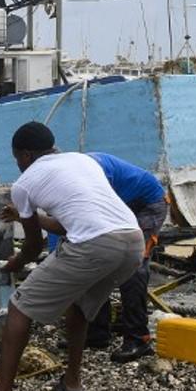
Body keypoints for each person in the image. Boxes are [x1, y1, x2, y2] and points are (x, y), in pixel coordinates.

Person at [0, 121, 143, 391]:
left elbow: (32, 246)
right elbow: (68, 224)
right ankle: (72, 384)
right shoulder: (83, 160)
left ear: (26, 155)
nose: (18, 164)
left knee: (19, 305)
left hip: (95, 245)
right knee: (79, 304)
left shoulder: (25, 184)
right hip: (132, 241)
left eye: (17, 158)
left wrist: (16, 263)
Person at [78, 152, 169, 362]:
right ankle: (97, 333)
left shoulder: (92, 172)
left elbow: (100, 209)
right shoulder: (60, 182)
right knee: (96, 261)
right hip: (121, 203)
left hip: (146, 203)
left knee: (133, 267)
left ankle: (139, 338)